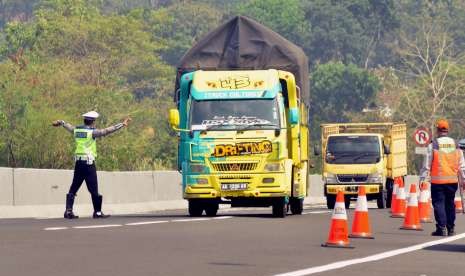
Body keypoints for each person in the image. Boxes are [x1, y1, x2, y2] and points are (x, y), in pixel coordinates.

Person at [53, 111, 131, 219]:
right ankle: (97, 212)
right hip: (89, 164)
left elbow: (68, 126)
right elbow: (107, 131)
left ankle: (68, 211)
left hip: (78, 163)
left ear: (84, 120)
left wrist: (61, 122)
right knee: (93, 189)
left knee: (74, 187)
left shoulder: (77, 130)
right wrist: (122, 124)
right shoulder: (92, 132)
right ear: (93, 122)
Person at [420, 119, 465, 236]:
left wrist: (422, 179)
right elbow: (461, 164)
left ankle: (442, 228)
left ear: (437, 130)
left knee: (439, 203)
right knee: (450, 204)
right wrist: (463, 179)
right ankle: (450, 228)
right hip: (452, 180)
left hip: (438, 180)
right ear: (447, 130)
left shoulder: (433, 145)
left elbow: (426, 165)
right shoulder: (456, 144)